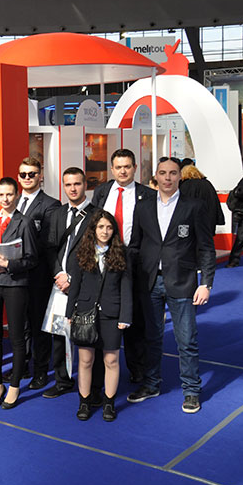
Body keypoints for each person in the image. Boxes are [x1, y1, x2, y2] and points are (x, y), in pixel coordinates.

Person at [127, 157, 215, 413]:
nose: (167, 178)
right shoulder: (143, 207)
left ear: (180, 177)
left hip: (183, 282)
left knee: (186, 340)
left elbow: (206, 248)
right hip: (149, 282)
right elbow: (135, 245)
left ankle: (191, 390)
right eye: (163, 173)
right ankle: (151, 384)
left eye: (173, 173)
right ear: (155, 175)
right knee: (151, 337)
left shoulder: (194, 206)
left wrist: (206, 283)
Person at [91, 148, 155, 385]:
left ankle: (137, 369)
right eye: (118, 167)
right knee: (103, 315)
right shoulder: (101, 192)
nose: (123, 171)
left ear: (135, 168)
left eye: (127, 166)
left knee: (134, 317)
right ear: (112, 169)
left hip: (133, 260)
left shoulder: (147, 195)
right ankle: (100, 371)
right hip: (104, 260)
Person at [65, 210, 132, 422]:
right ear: (93, 229)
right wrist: (69, 312)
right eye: (101, 227)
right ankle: (84, 401)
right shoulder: (82, 252)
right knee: (86, 360)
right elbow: (75, 285)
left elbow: (126, 287)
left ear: (114, 231)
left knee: (111, 359)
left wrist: (125, 315)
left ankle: (109, 402)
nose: (105, 231)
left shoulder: (122, 252)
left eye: (109, 227)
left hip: (112, 313)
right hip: (85, 312)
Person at [0, 177, 38, 409]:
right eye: (1, 195)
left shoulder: (25, 222)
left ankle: (14, 386)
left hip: (15, 284)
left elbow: (32, 259)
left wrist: (8, 265)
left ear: (17, 196)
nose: (5, 199)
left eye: (10, 194)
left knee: (16, 336)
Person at [43, 167, 97, 398]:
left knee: (87, 336)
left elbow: (97, 253)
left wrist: (73, 278)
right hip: (59, 284)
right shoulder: (57, 214)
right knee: (59, 335)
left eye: (77, 184)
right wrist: (59, 274)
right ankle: (62, 380)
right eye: (68, 185)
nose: (73, 189)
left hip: (84, 286)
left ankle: (93, 385)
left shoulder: (97, 215)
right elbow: (50, 248)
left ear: (85, 185)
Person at [15, 157, 60, 389]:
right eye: (23, 174)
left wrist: (17, 252)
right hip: (14, 276)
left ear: (40, 176)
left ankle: (41, 371)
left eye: (32, 174)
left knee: (38, 326)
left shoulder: (51, 205)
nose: (27, 178)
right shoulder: (12, 201)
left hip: (38, 275)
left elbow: (48, 241)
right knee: (19, 324)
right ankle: (21, 366)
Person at [180, 164, 224, 230]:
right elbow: (215, 202)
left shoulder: (185, 185)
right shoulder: (207, 183)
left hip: (191, 221)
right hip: (209, 220)